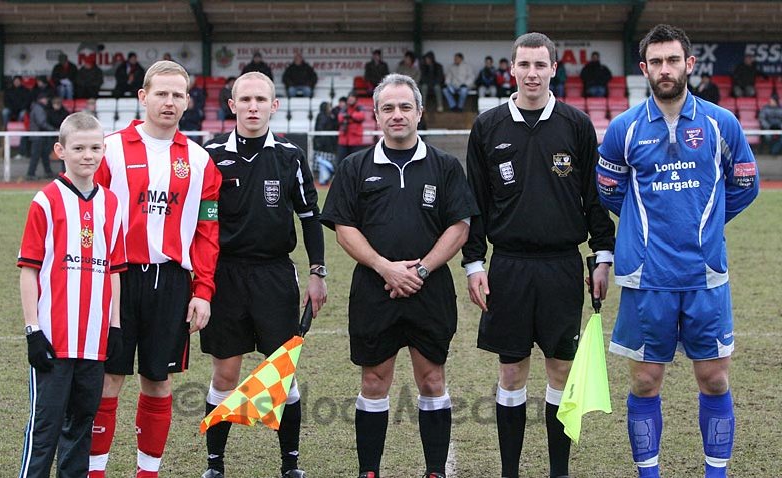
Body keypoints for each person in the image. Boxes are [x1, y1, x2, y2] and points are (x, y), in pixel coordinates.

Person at [597, 24, 759, 478]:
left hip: (706, 276)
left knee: (715, 379)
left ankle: (716, 473)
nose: (665, 70)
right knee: (646, 382)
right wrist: (645, 234)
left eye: (674, 60)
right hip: (647, 279)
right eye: (657, 62)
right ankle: (649, 473)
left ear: (689, 65)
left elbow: (745, 183)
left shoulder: (720, 123)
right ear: (644, 68)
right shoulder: (624, 129)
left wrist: (703, 225)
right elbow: (609, 192)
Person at [462, 32, 615, 478]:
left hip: (562, 266)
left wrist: (602, 254)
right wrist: (475, 263)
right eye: (524, 65)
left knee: (561, 372)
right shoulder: (487, 127)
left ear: (553, 69)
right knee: (511, 374)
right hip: (507, 266)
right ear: (512, 69)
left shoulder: (577, 125)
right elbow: (476, 204)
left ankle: (558, 471)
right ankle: (510, 470)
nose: (532, 73)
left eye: (540, 65)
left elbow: (594, 198)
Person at [320, 73, 479, 478]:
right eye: (388, 108)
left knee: (431, 379)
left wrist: (422, 268)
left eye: (405, 106)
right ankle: (369, 471)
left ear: (420, 112)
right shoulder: (355, 166)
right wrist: (384, 267)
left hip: (431, 287)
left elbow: (459, 226)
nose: (397, 115)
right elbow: (344, 228)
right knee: (374, 380)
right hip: (376, 289)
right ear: (375, 115)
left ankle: (434, 471)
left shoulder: (444, 166)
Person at [88, 60, 221, 478]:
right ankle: (94, 471)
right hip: (116, 280)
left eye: (177, 94)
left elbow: (207, 231)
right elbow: (82, 216)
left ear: (187, 101)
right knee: (109, 379)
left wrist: (203, 291)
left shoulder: (200, 162)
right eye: (160, 93)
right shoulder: (108, 149)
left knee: (158, 380)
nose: (169, 101)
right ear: (143, 97)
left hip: (172, 282)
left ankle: (148, 472)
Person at [200, 71, 327, 478]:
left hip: (275, 275)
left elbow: (310, 218)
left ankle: (290, 464)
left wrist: (317, 273)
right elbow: (200, 221)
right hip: (226, 275)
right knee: (226, 372)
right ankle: (214, 464)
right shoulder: (212, 154)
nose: (253, 106)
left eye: (261, 100)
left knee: (282, 376)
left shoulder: (289, 156)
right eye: (245, 99)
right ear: (232, 105)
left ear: (274, 106)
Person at [17, 112, 127, 477]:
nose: (87, 155)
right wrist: (33, 330)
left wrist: (114, 327)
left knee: (81, 428)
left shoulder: (111, 204)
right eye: (78, 148)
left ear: (104, 150)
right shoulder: (45, 201)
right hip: (53, 339)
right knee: (45, 429)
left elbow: (113, 271)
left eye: (95, 148)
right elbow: (29, 270)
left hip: (93, 342)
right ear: (60, 150)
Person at [26, 93, 54, 180]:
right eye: (45, 99)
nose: (46, 101)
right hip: (38, 136)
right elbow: (41, 123)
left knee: (44, 155)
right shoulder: (38, 108)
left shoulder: (38, 108)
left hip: (40, 136)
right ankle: (30, 174)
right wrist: (52, 129)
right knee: (36, 155)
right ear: (41, 99)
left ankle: (48, 172)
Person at [2, 75, 31, 158]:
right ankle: (5, 127)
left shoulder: (26, 91)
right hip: (11, 110)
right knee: (5, 112)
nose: (16, 82)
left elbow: (27, 103)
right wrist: (12, 109)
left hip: (21, 110)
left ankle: (20, 125)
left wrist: (20, 108)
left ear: (20, 81)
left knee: (23, 113)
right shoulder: (8, 90)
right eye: (15, 81)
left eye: (18, 81)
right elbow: (6, 102)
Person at [337, 92, 367, 164]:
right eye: (349, 98)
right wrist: (351, 117)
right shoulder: (344, 108)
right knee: (341, 161)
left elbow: (361, 117)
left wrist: (350, 116)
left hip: (355, 140)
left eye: (352, 98)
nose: (350, 100)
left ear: (356, 99)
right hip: (344, 139)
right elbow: (340, 118)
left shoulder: (359, 107)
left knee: (355, 161)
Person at [314, 100, 338, 185]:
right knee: (322, 163)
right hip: (323, 145)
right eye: (328, 107)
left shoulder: (330, 116)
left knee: (329, 161)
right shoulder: (322, 116)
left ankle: (326, 178)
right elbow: (321, 128)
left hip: (329, 144)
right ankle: (322, 179)